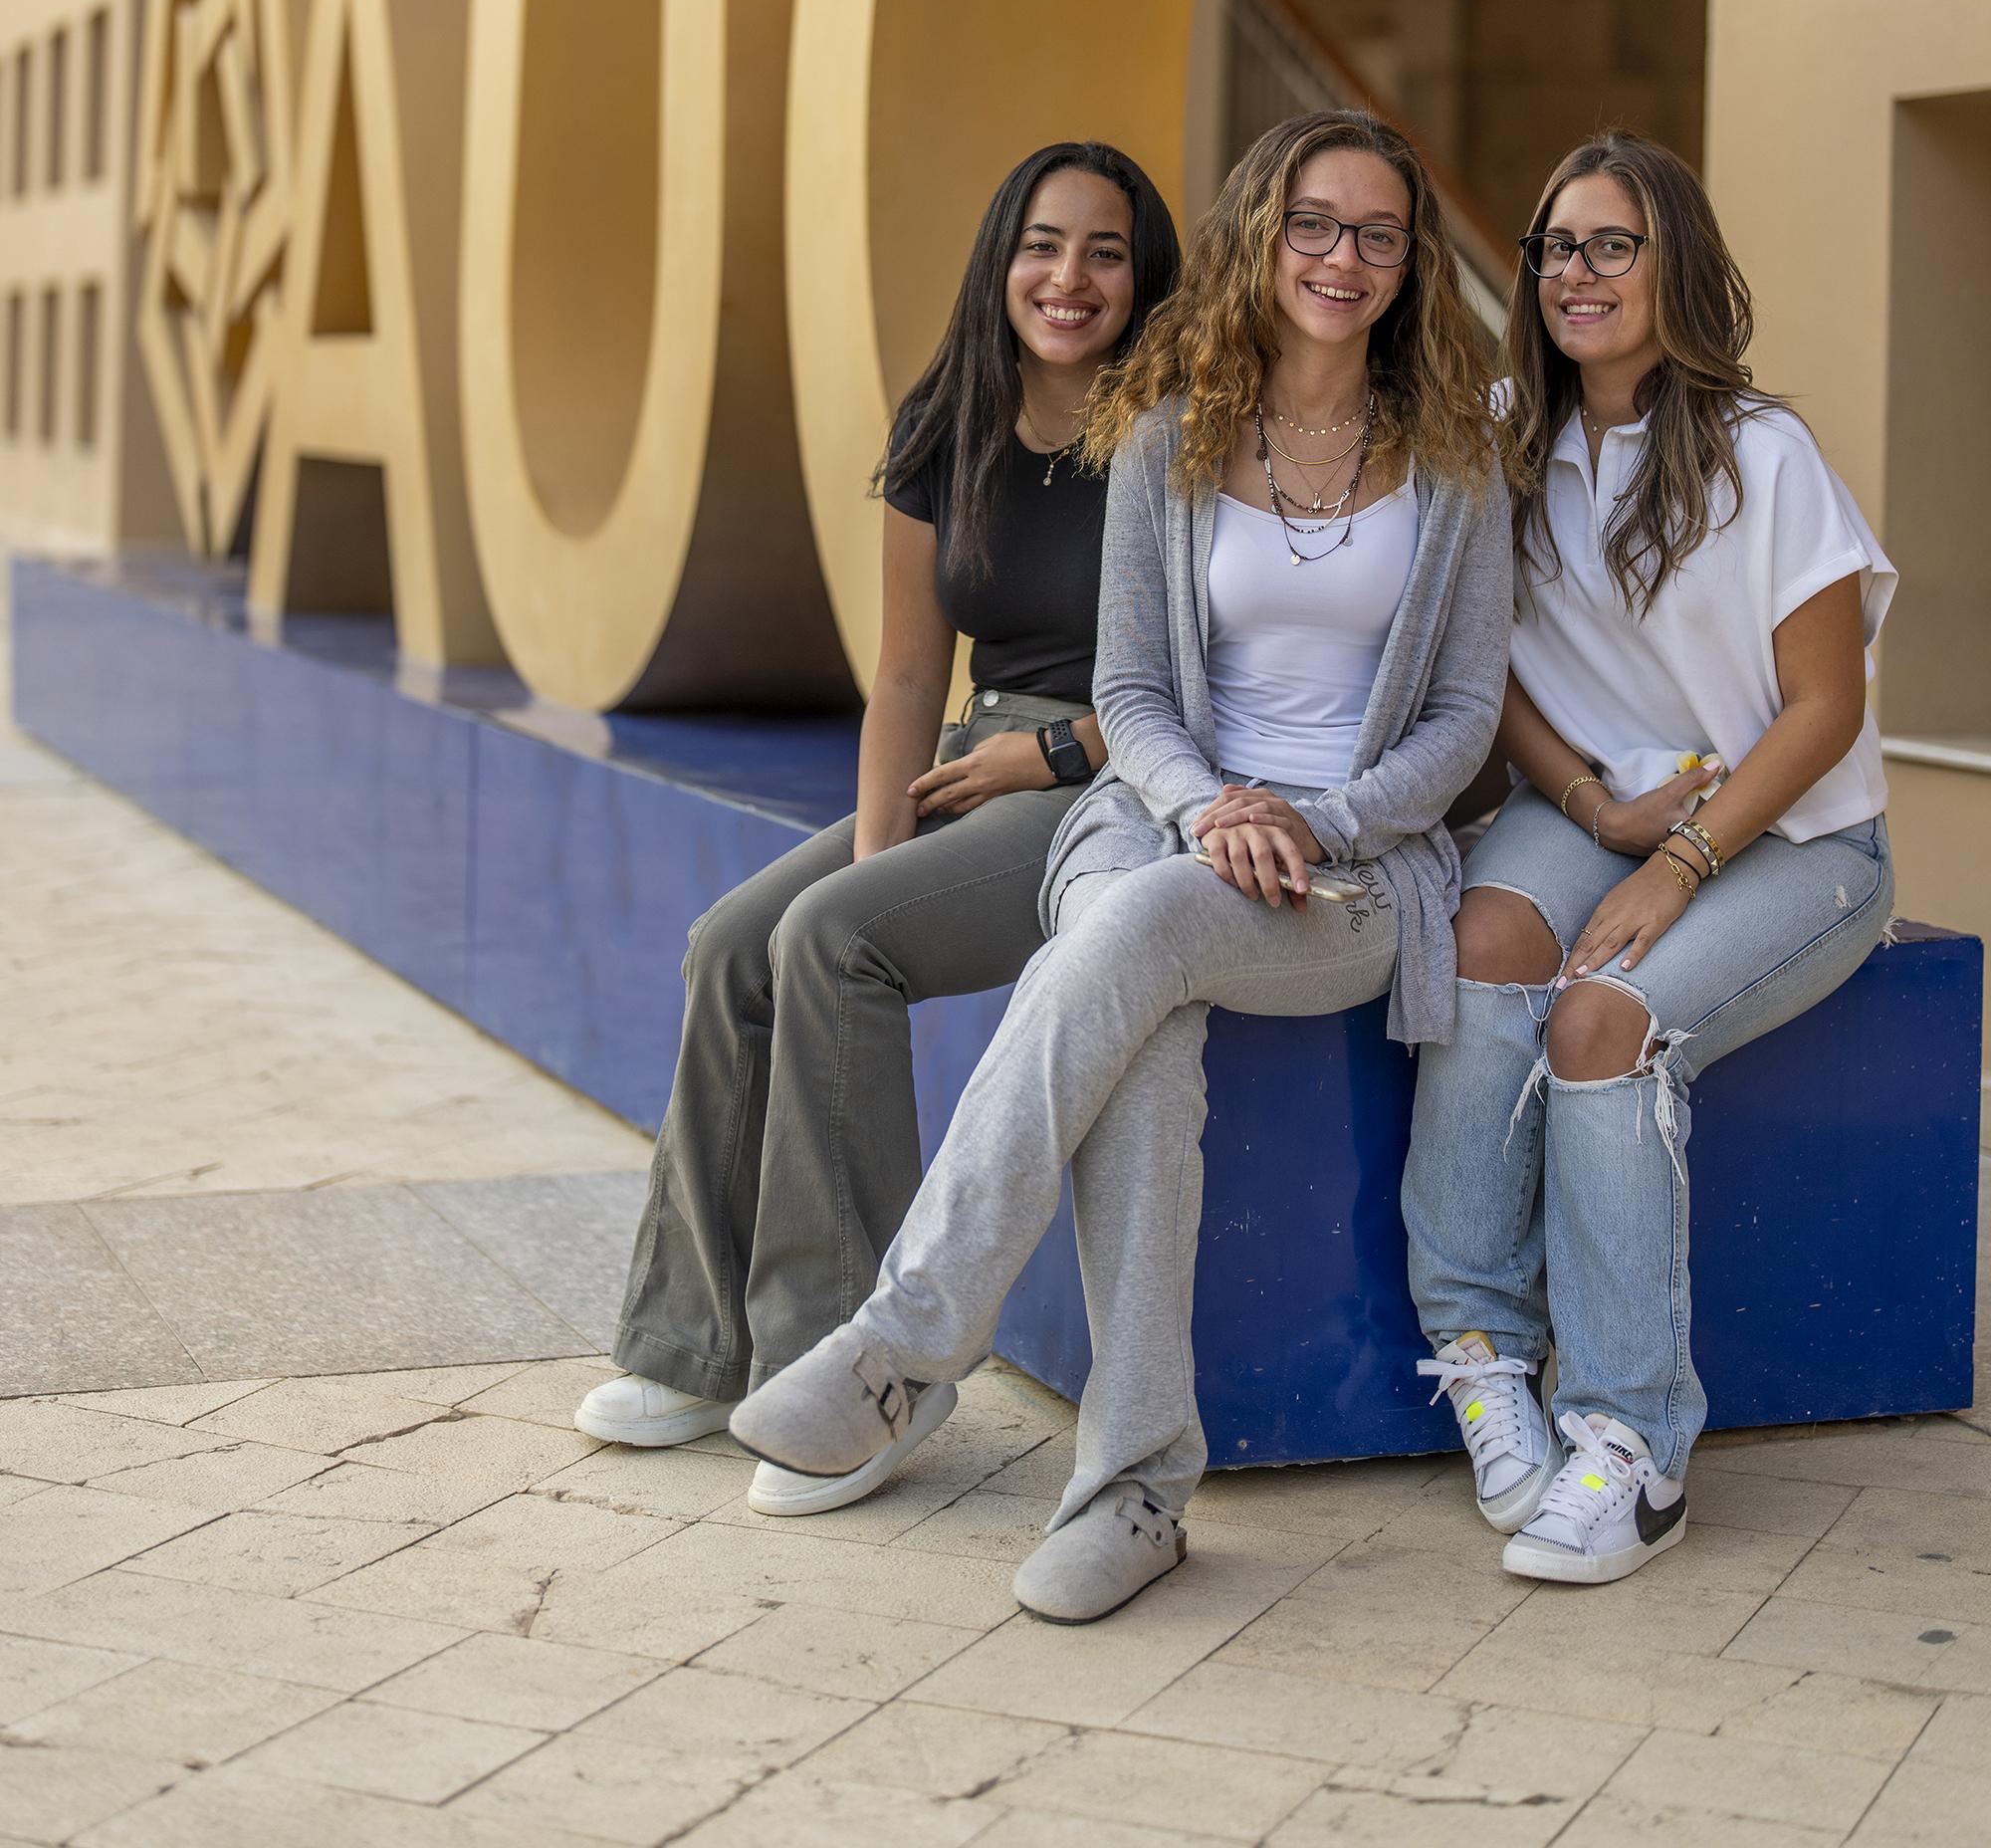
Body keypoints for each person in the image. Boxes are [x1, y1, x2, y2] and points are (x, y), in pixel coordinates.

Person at [729, 109, 1510, 1622]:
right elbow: (1136, 689)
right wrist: (1215, 802)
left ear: (1411, 264)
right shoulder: (1170, 429)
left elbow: (1467, 721)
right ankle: (1137, 1489)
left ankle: (904, 1348)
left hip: (1354, 876)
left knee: (1141, 943)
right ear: (1259, 238)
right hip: (1157, 822)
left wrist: (1320, 818)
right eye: (1312, 225)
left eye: (1377, 234)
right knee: (1142, 1022)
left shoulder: (1460, 455)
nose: (1341, 258)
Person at [575, 141, 1181, 1513]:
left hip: (1114, 772)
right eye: (1042, 243)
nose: (1068, 276)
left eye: (1103, 249)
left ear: (1143, 275)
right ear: (1001, 258)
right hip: (973, 749)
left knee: (832, 939)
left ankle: (857, 1372)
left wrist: (1060, 750)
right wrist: (871, 863)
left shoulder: (1177, 425)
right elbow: (908, 677)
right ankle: (695, 1345)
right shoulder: (949, 418)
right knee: (740, 942)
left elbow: (1211, 673)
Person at [1403, 130, 1894, 1586]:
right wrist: (1589, 805)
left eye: (1611, 244)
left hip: (1793, 834)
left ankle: (1630, 1440)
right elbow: (1477, 658)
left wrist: (1674, 857)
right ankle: (1485, 1352)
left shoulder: (1762, 451)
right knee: (1482, 945)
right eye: (1556, 245)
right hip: (1596, 809)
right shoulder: (1502, 435)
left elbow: (1827, 712)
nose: (1576, 271)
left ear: (1673, 259)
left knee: (1603, 1023)